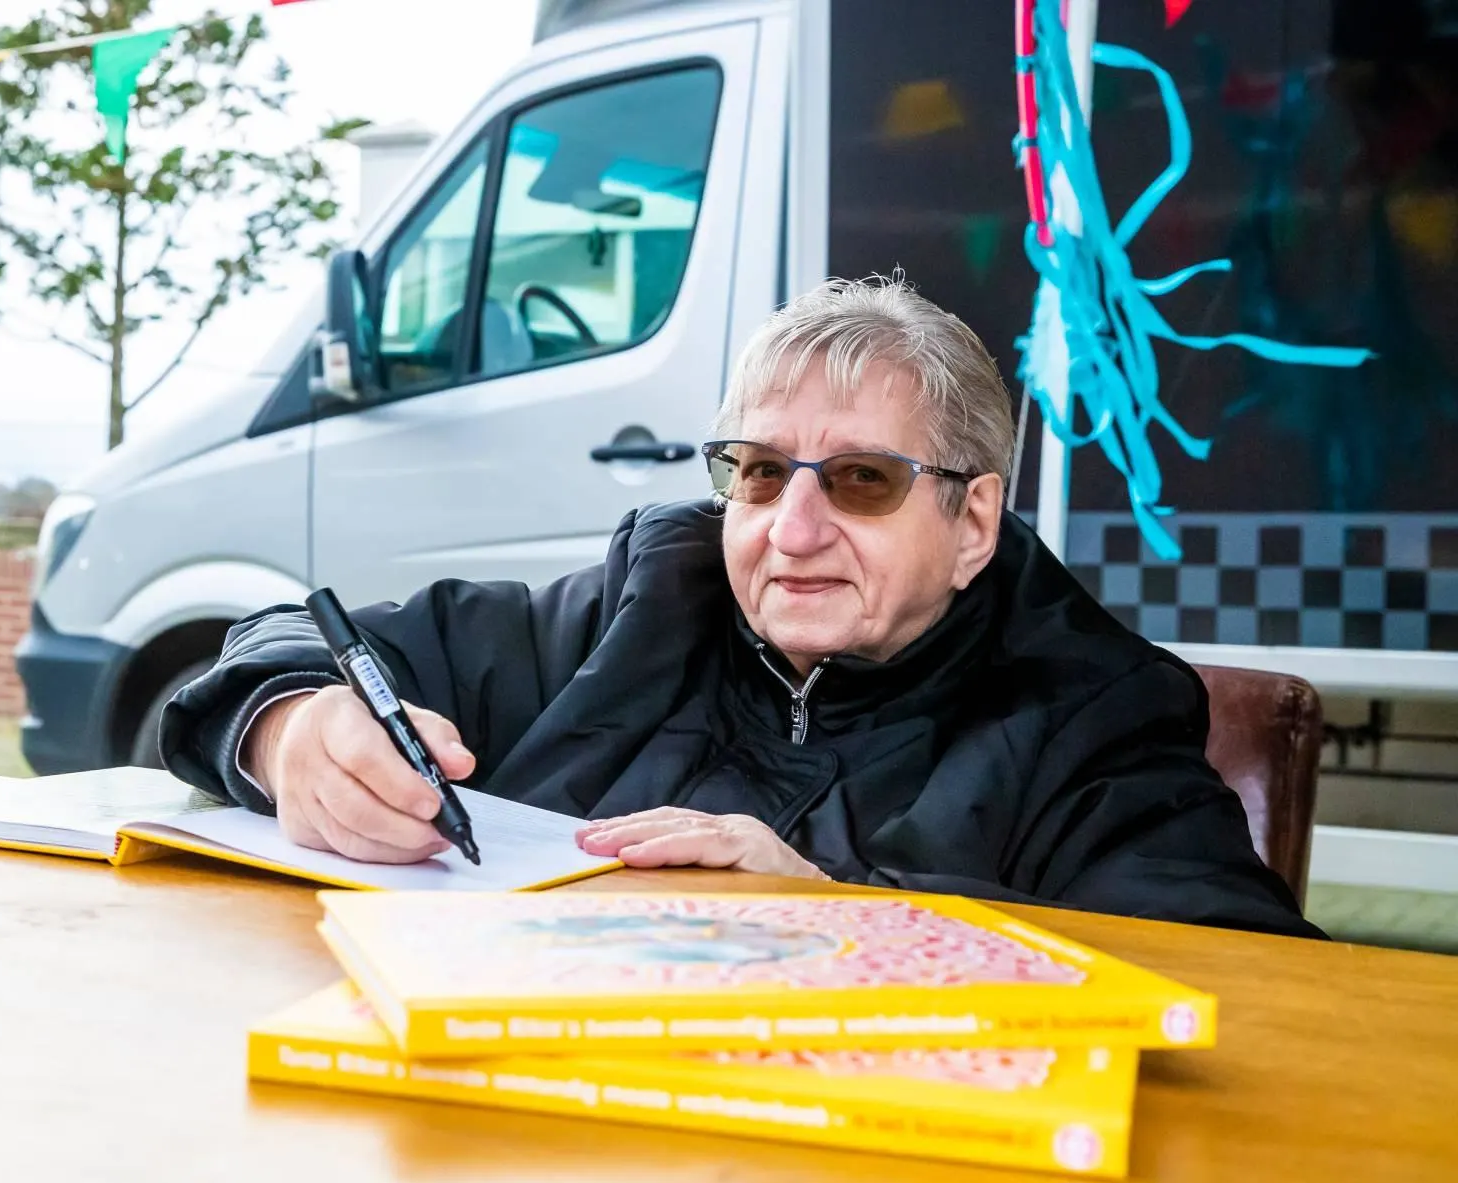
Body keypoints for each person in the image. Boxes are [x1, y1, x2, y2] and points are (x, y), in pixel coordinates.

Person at [158, 276, 1321, 939]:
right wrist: (291, 728)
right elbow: (282, 646)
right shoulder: (642, 602)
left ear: (973, 522)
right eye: (760, 472)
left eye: (863, 479)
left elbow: (1244, 975)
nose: (793, 528)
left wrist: (842, 916)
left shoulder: (1094, 709)